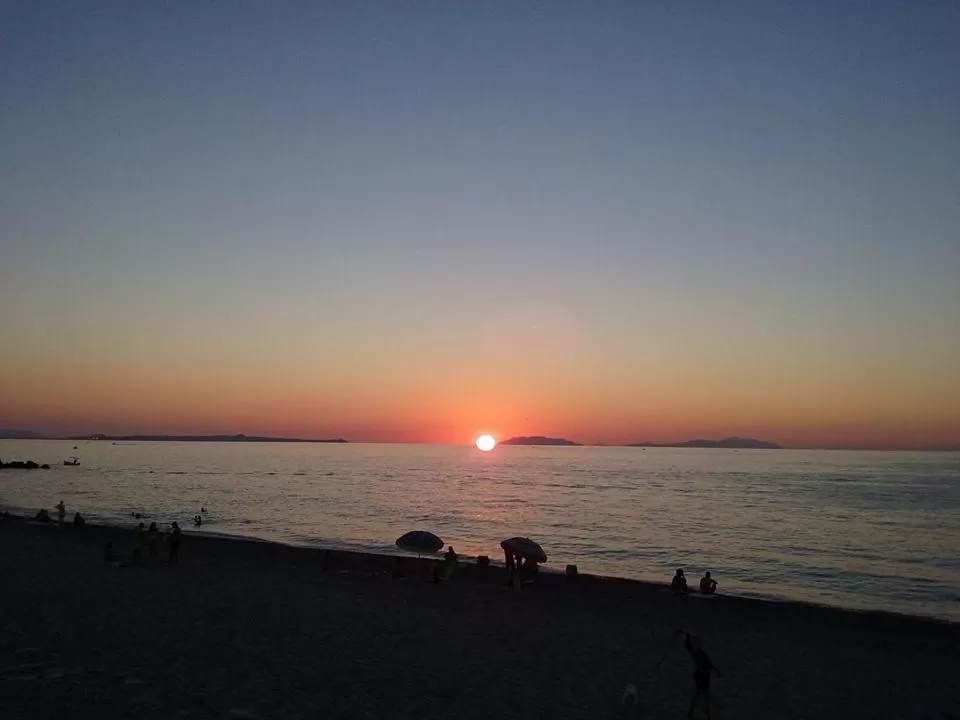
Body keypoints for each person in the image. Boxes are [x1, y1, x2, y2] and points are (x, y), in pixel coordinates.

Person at [678, 631, 721, 719]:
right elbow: (688, 646)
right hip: (701, 678)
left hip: (704, 678)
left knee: (704, 698)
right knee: (698, 697)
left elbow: (709, 664)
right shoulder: (695, 654)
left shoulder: (701, 654)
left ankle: (703, 714)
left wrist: (716, 671)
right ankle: (693, 713)